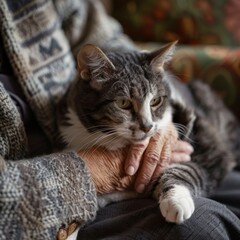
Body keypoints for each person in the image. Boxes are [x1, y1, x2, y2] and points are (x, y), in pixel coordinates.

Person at [0, 1, 240, 240]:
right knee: (202, 226)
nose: (146, 125)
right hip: (50, 197)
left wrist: (162, 114)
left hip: (193, 158)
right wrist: (89, 173)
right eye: (125, 105)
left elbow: (108, 41)